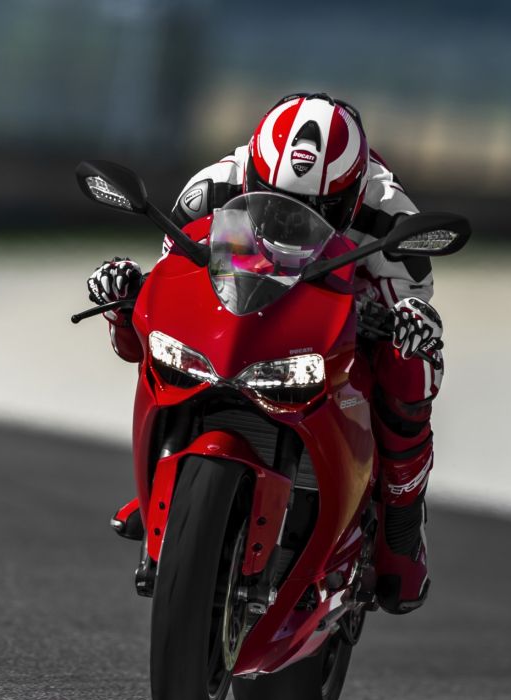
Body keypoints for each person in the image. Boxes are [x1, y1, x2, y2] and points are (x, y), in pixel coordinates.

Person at [86, 93, 442, 614]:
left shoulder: (390, 217)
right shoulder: (212, 188)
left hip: (341, 318)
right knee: (161, 343)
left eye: (318, 210)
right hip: (244, 303)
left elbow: (411, 305)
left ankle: (401, 534)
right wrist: (128, 299)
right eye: (273, 195)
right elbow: (175, 286)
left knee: (417, 365)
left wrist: (409, 324)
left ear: (351, 195)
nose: (291, 218)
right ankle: (163, 483)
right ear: (252, 170)